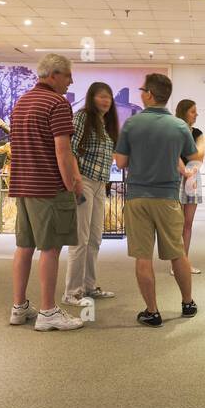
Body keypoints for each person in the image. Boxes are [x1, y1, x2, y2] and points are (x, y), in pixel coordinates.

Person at [113, 73, 205, 327]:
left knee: (143, 256)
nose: (141, 94)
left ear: (150, 94)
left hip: (138, 197)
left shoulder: (132, 124)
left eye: (143, 90)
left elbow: (120, 162)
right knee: (178, 253)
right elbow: (193, 159)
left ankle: (152, 312)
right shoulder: (179, 126)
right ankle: (187, 303)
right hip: (169, 197)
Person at [9, 54, 83, 331]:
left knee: (24, 246)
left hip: (23, 186)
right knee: (50, 248)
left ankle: (19, 306)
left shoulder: (22, 102)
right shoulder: (57, 103)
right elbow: (62, 152)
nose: (70, 81)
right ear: (53, 75)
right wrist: (71, 184)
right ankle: (48, 311)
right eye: (67, 75)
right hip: (48, 187)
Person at [63, 81, 119, 305]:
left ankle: (89, 286)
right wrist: (76, 180)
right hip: (83, 180)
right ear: (91, 98)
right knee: (80, 238)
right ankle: (72, 292)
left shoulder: (106, 123)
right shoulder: (82, 117)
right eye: (101, 96)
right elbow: (71, 151)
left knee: (95, 238)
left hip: (99, 183)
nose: (106, 101)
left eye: (109, 97)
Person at [174, 99, 205, 275]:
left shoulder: (198, 133)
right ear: (184, 112)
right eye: (193, 111)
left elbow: (200, 158)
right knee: (176, 223)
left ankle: (184, 262)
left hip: (193, 178)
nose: (196, 114)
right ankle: (175, 263)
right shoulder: (175, 130)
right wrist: (183, 172)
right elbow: (173, 154)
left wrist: (190, 174)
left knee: (187, 223)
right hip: (175, 178)